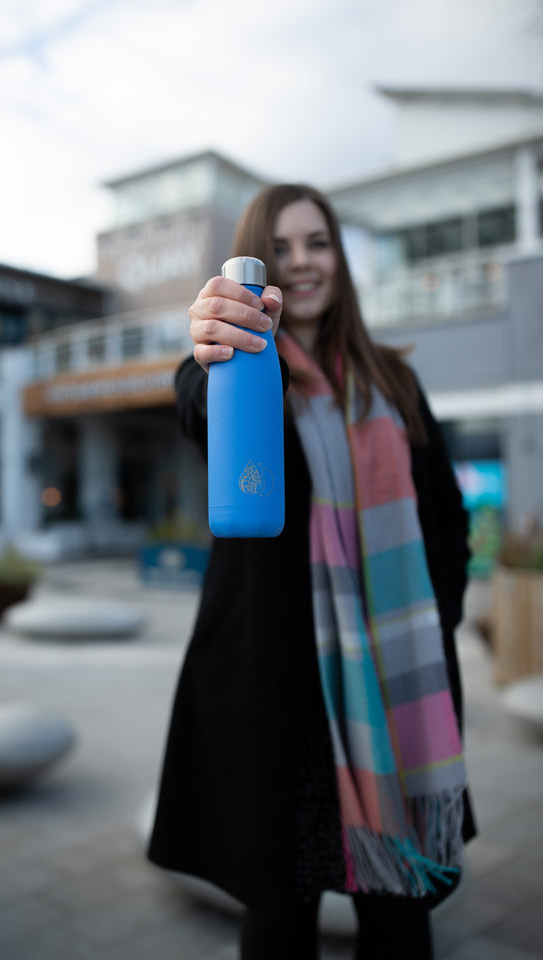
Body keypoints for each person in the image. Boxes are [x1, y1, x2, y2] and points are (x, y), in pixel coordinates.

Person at [147, 184, 476, 960]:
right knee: (278, 924)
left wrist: (439, 620)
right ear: (257, 266)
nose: (301, 262)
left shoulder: (393, 382)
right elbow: (196, 399)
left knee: (400, 924)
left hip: (393, 694)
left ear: (340, 259)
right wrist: (215, 345)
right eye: (281, 247)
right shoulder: (238, 367)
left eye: (318, 242)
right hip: (281, 701)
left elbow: (448, 514)